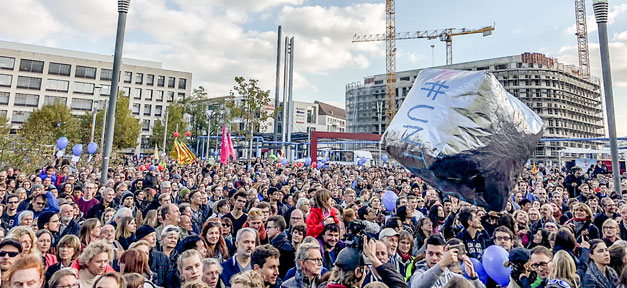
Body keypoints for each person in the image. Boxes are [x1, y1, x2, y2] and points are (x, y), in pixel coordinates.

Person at [409, 235, 485, 288]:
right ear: (425, 254)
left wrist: (473, 278)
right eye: (430, 253)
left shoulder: (453, 277)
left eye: (438, 254)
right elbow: (417, 286)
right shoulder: (419, 273)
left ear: (445, 253)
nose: (434, 258)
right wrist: (442, 264)